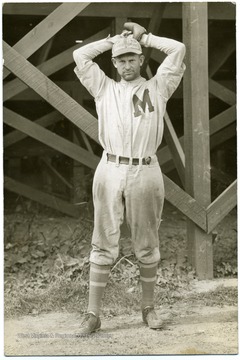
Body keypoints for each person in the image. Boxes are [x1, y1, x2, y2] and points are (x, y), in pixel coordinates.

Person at [73, 22, 186, 334]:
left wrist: (144, 37)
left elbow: (178, 49)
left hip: (145, 169)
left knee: (147, 242)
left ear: (141, 60)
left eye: (131, 58)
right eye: (120, 60)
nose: (126, 64)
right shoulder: (103, 87)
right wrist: (111, 42)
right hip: (110, 167)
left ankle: (148, 309)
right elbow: (80, 56)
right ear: (114, 62)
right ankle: (93, 315)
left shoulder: (157, 87)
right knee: (103, 240)